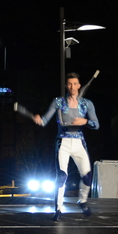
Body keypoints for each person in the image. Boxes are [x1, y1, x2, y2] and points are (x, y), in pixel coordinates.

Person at [33, 72, 100, 219]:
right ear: (66, 86)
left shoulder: (86, 103)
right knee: (62, 175)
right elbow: (45, 120)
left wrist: (85, 122)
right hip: (63, 142)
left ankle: (82, 201)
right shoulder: (58, 102)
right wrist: (39, 119)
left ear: (79, 85)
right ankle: (58, 208)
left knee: (87, 176)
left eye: (75, 84)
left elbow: (96, 125)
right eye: (69, 84)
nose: (72, 87)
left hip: (79, 143)